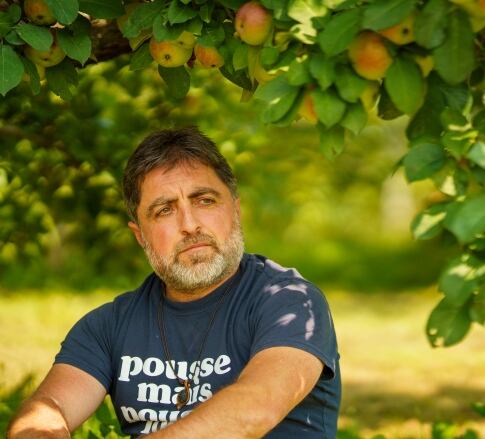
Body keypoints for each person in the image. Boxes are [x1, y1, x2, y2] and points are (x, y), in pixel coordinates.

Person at [7, 127, 341, 438]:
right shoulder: (109, 326)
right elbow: (50, 408)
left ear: (235, 211)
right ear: (140, 235)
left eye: (205, 201)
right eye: (165, 210)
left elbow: (255, 409)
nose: (190, 224)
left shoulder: (291, 304)